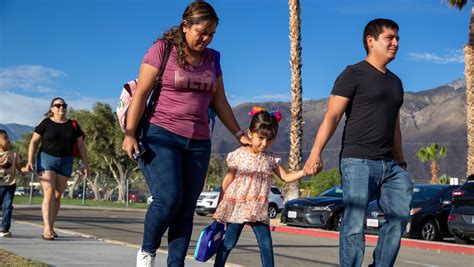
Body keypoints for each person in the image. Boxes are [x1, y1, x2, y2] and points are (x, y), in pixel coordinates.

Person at [121, 1, 250, 266]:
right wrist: (130, 133)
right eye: (201, 32)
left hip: (199, 141)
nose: (206, 39)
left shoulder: (213, 58)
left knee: (186, 208)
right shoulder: (162, 50)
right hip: (160, 134)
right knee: (169, 198)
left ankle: (176, 264)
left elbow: (220, 101)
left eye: (211, 34)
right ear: (185, 26)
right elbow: (142, 93)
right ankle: (147, 251)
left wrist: (239, 134)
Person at [303, 18, 413, 267]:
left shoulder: (396, 82)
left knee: (398, 217)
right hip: (358, 161)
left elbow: (394, 124)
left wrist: (401, 160)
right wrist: (315, 153)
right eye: (390, 38)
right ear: (371, 41)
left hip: (391, 165)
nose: (395, 43)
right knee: (354, 222)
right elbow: (332, 116)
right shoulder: (352, 74)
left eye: (397, 38)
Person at [213, 107, 307, 267]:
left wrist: (304, 171)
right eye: (260, 138)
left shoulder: (271, 159)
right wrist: (221, 202)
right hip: (239, 207)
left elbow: (286, 177)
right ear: (250, 133)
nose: (264, 143)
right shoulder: (239, 154)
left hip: (258, 209)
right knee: (229, 242)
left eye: (269, 140)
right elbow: (228, 178)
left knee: (266, 246)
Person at [24, 97, 89, 241]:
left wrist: (86, 165)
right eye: (58, 105)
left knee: (58, 196)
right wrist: (29, 161)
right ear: (52, 109)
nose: (61, 108)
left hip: (66, 161)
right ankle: (46, 229)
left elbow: (81, 146)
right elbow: (33, 142)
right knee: (49, 193)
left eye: (64, 105)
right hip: (46, 159)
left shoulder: (73, 125)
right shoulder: (45, 123)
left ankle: (51, 226)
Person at [0, 130, 25, 237]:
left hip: (10, 185)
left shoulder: (14, 155)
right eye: (5, 138)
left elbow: (21, 169)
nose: (8, 140)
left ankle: (4, 229)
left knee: (7, 207)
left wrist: (27, 168)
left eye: (8, 138)